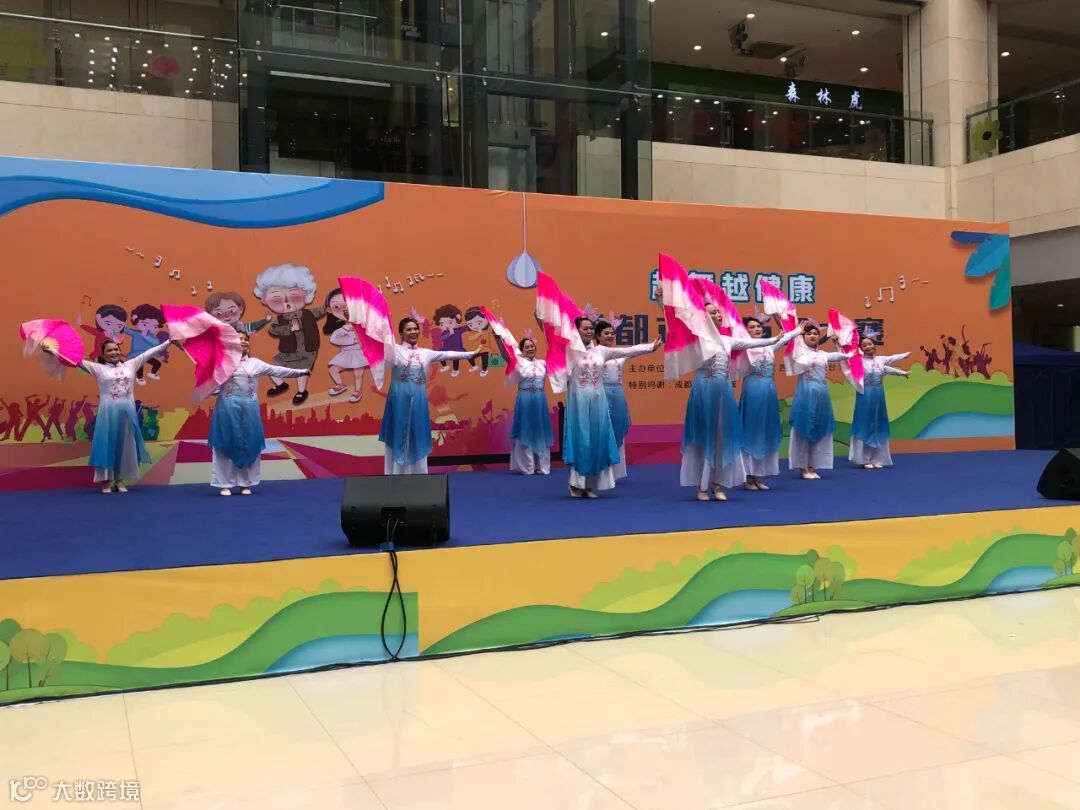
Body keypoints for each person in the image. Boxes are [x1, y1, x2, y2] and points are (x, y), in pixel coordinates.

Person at [681, 303, 803, 501]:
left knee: (722, 437)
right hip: (704, 392)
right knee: (705, 436)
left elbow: (753, 343)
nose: (718, 315)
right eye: (712, 313)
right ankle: (701, 486)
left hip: (723, 393)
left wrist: (784, 335)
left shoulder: (728, 340)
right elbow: (677, 324)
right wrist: (662, 301)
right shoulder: (696, 339)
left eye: (718, 312)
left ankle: (717, 484)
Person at [48, 338, 170, 492]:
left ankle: (120, 480)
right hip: (108, 414)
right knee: (107, 445)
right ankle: (107, 481)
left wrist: (169, 342)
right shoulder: (98, 369)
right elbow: (75, 360)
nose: (114, 352)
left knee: (125, 446)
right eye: (109, 350)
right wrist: (53, 350)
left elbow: (149, 353)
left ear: (120, 351)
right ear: (103, 355)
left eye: (116, 349)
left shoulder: (131, 365)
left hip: (127, 413)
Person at [562, 317, 660, 498]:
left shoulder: (601, 351)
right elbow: (551, 335)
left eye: (591, 328)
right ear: (576, 331)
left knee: (597, 440)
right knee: (582, 441)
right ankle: (576, 484)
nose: (589, 331)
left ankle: (590, 485)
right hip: (578, 401)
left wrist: (650, 347)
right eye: (585, 328)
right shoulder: (569, 350)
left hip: (598, 400)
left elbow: (628, 351)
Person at [208, 333, 311, 495]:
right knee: (225, 443)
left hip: (249, 409)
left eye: (246, 339)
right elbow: (212, 387)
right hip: (226, 408)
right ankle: (224, 484)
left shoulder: (255, 363)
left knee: (249, 443)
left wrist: (300, 372)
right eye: (239, 339)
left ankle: (246, 483)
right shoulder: (222, 363)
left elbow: (277, 370)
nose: (243, 342)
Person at [380, 317, 478, 475]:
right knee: (398, 434)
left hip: (418, 401)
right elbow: (376, 341)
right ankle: (397, 475)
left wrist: (472, 354)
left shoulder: (426, 353)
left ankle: (418, 475)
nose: (413, 332)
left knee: (417, 434)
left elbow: (447, 354)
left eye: (415, 329)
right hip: (398, 401)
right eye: (409, 329)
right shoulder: (394, 350)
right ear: (401, 333)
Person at [739, 313, 801, 491]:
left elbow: (786, 337)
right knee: (752, 431)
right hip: (753, 391)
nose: (757, 329)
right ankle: (748, 476)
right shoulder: (743, 347)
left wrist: (798, 330)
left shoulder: (769, 346)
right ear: (745, 331)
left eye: (758, 326)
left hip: (768, 392)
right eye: (752, 327)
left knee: (765, 430)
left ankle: (758, 475)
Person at [788, 320, 851, 480]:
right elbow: (792, 355)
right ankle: (802, 467)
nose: (813, 336)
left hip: (822, 395)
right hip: (805, 395)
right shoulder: (800, 354)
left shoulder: (823, 354)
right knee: (804, 429)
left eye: (815, 333)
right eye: (809, 333)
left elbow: (842, 356)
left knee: (818, 427)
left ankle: (812, 466)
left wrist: (837, 344)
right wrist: (795, 334)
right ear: (803, 337)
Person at [850, 336, 910, 469]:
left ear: (874, 345)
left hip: (878, 396)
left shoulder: (881, 360)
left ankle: (877, 458)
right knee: (864, 424)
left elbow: (890, 364)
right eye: (864, 345)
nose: (868, 347)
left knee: (878, 424)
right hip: (864, 396)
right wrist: (837, 343)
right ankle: (863, 459)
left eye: (870, 344)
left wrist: (903, 368)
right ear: (861, 349)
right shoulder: (858, 361)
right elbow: (844, 359)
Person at [508, 336, 553, 475]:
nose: (530, 349)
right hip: (525, 399)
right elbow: (506, 356)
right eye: (526, 347)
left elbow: (557, 370)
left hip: (540, 399)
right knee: (525, 429)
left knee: (540, 430)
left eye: (532, 346)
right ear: (522, 350)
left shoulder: (542, 363)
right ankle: (527, 466)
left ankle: (541, 466)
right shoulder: (519, 364)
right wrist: (499, 340)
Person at [596, 320, 631, 480]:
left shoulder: (619, 354)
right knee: (603, 429)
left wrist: (651, 347)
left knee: (617, 428)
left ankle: (617, 471)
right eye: (606, 333)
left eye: (612, 333)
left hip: (618, 394)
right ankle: (602, 469)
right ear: (598, 336)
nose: (610, 336)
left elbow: (635, 351)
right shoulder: (593, 354)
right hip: (601, 393)